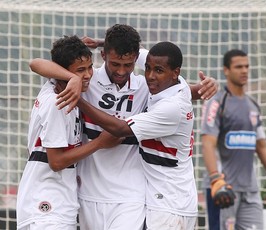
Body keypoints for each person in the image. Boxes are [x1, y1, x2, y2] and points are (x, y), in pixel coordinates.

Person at [29, 24, 218, 230]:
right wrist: (72, 79)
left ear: (136, 60)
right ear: (103, 56)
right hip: (86, 194)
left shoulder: (147, 86)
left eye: (128, 65)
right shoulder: (84, 80)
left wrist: (207, 87)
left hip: (131, 198)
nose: (121, 71)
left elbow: (183, 91)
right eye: (115, 64)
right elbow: (37, 63)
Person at [76, 41, 198, 229]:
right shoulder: (170, 87)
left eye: (158, 71)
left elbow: (120, 129)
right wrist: (104, 43)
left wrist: (78, 101)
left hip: (170, 204)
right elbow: (135, 55)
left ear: (176, 73)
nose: (150, 76)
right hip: (165, 200)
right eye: (147, 69)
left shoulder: (171, 107)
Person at [16, 35, 121, 230]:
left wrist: (75, 76)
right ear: (62, 72)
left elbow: (37, 64)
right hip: (46, 205)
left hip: (58, 203)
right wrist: (99, 143)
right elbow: (56, 162)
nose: (89, 75)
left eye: (90, 67)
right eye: (80, 70)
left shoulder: (59, 88)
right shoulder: (58, 102)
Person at [200, 49, 266, 230]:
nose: (244, 71)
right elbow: (208, 142)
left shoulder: (252, 105)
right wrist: (216, 179)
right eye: (238, 67)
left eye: (246, 66)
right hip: (224, 190)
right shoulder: (216, 103)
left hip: (250, 191)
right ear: (226, 70)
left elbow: (262, 147)